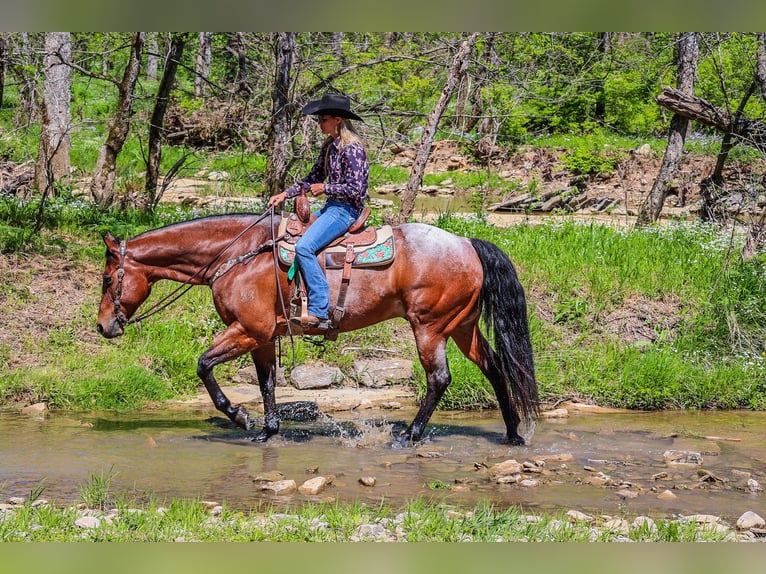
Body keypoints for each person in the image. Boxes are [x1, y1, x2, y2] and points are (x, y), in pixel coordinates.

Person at [268, 93, 369, 330]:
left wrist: (326, 188)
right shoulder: (329, 147)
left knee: (305, 247)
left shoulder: (352, 149)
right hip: (331, 207)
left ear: (337, 120)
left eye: (322, 119)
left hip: (346, 210)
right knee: (291, 236)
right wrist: (286, 194)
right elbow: (312, 177)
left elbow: (357, 190)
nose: (319, 123)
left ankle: (320, 308)